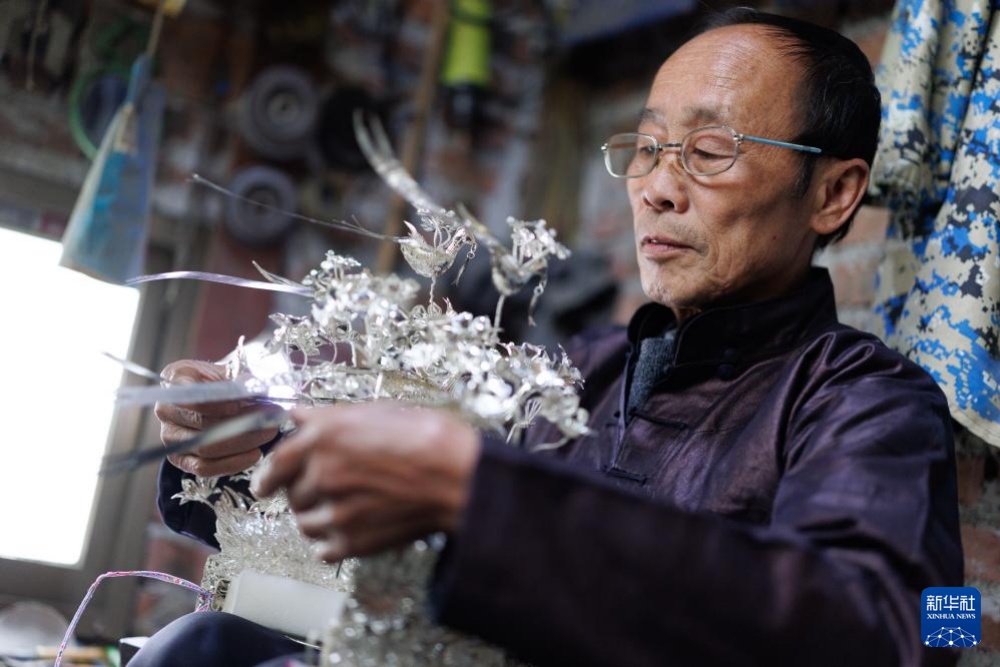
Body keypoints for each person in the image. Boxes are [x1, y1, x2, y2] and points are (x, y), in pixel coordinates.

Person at [132, 8, 963, 667]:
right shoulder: (587, 370)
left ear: (833, 193)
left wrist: (481, 496)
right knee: (204, 644)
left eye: (710, 150)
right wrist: (247, 457)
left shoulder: (874, 404)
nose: (657, 188)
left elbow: (913, 631)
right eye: (647, 148)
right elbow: (395, 541)